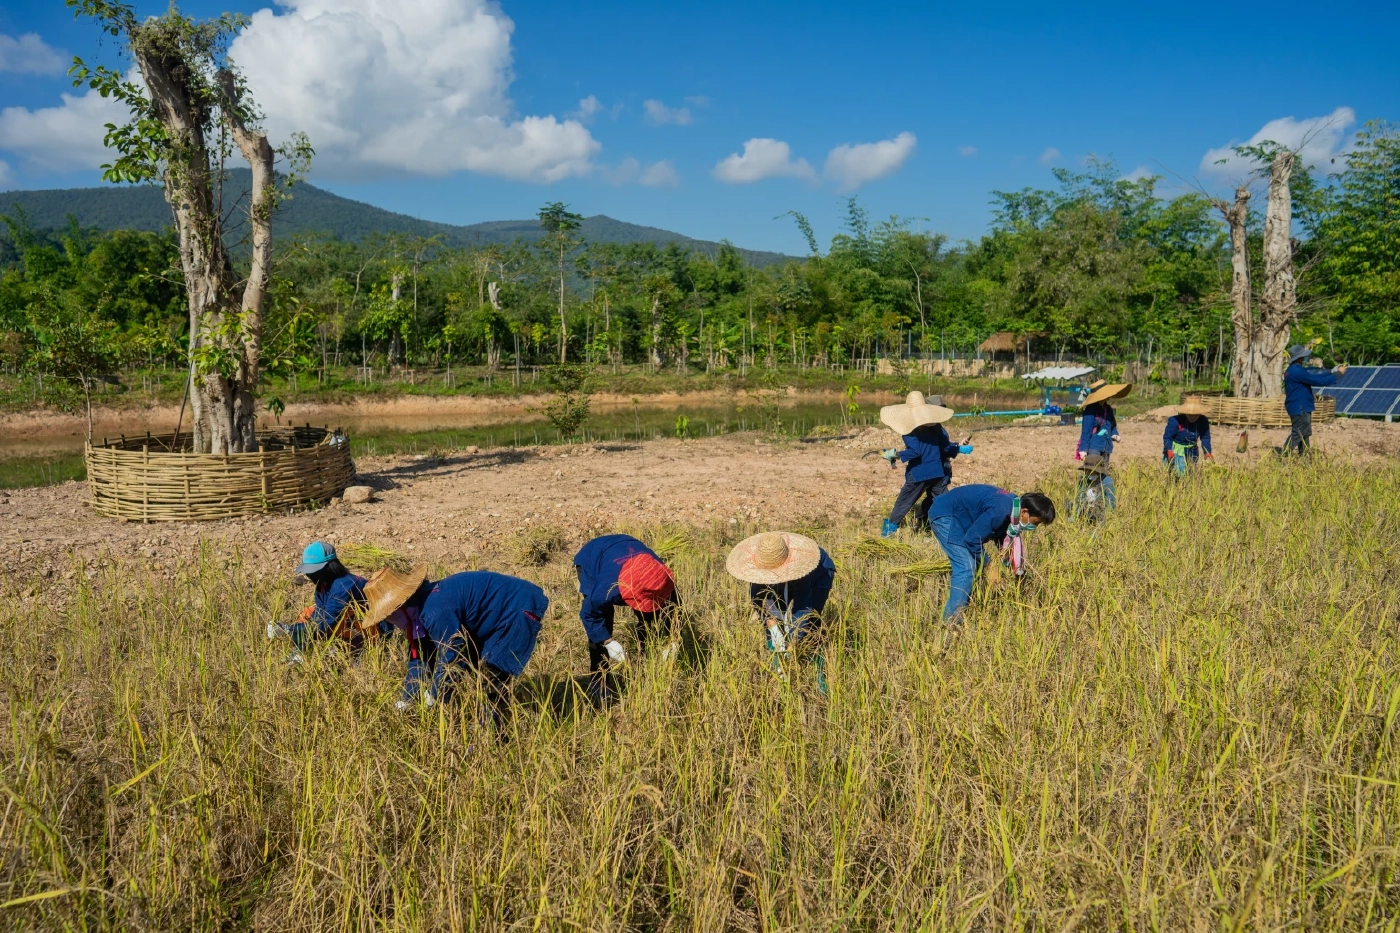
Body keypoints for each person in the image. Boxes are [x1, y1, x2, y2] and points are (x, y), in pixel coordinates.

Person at [361, 565, 548, 725]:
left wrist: (433, 697)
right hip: (488, 619)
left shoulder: (434, 612)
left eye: (391, 615)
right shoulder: (417, 616)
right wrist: (407, 701)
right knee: (475, 674)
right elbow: (419, 661)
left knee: (489, 680)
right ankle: (485, 727)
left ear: (401, 604)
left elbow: (452, 657)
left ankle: (495, 738)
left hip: (516, 609)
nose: (391, 622)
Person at [573, 533, 678, 705]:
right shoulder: (605, 589)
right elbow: (590, 614)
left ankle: (646, 664)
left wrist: (672, 639)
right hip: (593, 556)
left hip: (627, 546)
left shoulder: (659, 576)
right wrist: (607, 641)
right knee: (602, 622)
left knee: (651, 618)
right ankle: (599, 682)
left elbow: (674, 609)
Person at [726, 531, 836, 691]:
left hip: (819, 574)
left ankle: (820, 676)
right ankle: (780, 672)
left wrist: (793, 642)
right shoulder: (759, 570)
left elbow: (803, 608)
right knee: (774, 620)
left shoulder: (802, 569)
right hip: (784, 576)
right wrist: (771, 624)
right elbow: (758, 600)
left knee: (811, 623)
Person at [929, 485, 1056, 624]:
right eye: (1035, 523)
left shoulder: (1013, 508)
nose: (1034, 527)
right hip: (946, 515)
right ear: (1025, 512)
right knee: (966, 567)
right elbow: (973, 540)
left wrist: (1014, 568)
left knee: (974, 563)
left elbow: (1001, 535)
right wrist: (989, 565)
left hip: (961, 517)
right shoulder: (1001, 510)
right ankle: (950, 623)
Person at [877, 391, 971, 537]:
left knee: (904, 502)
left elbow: (915, 451)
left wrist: (895, 455)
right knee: (944, 502)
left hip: (919, 474)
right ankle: (956, 530)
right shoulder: (937, 428)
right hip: (937, 473)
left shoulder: (909, 430)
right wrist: (958, 448)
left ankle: (888, 532)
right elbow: (944, 448)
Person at [267, 540, 367, 664]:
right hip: (348, 624)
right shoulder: (323, 586)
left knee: (332, 624)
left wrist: (289, 630)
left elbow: (327, 620)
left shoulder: (343, 585)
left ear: (329, 567)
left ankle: (356, 656)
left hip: (368, 629)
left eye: (313, 571)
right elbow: (318, 614)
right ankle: (303, 651)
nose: (310, 575)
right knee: (308, 614)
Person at [1075, 380, 1131, 508]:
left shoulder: (1108, 409)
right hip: (1093, 447)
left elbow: (1111, 425)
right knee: (1093, 476)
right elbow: (1086, 431)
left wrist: (1115, 434)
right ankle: (1090, 503)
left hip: (1106, 446)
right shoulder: (1090, 410)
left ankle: (1102, 502)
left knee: (1103, 473)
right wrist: (1083, 449)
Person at [1283, 345, 1347, 455]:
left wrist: (1330, 371)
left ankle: (1304, 456)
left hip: (1297, 406)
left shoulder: (1292, 370)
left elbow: (1312, 376)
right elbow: (1317, 381)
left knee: (1305, 433)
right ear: (1300, 357)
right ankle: (1284, 455)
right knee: (1298, 432)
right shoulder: (1297, 371)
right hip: (1300, 407)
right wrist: (1338, 374)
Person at [1163, 398, 1213, 474]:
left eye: (1195, 414)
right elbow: (1168, 437)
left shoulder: (1203, 421)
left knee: (1190, 473)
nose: (1192, 417)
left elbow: (1205, 438)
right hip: (1176, 451)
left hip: (1192, 451)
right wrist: (1169, 450)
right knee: (1176, 474)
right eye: (1190, 415)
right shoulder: (1175, 421)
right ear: (1185, 412)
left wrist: (1207, 452)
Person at [1072, 453, 1112, 523]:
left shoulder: (1107, 482)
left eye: (1092, 471)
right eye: (1087, 470)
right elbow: (1078, 498)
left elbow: (1111, 503)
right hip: (1084, 515)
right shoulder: (1082, 481)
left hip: (1101, 515)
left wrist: (1098, 509)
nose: (1089, 473)